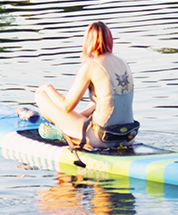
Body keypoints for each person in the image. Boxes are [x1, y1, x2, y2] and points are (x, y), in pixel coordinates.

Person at [30, 22, 138, 151]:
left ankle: (63, 130)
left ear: (88, 42)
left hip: (100, 139)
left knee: (41, 95)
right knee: (97, 104)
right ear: (110, 40)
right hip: (128, 137)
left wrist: (48, 87)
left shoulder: (91, 66)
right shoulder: (123, 63)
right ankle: (68, 127)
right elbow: (104, 101)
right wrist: (76, 117)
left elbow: (66, 106)